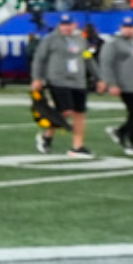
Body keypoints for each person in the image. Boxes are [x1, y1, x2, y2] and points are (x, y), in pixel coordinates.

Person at [31, 14, 94, 157]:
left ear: (75, 25)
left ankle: (77, 146)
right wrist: (37, 78)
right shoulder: (51, 39)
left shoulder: (80, 39)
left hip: (78, 80)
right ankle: (46, 135)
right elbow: (39, 59)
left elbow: (87, 58)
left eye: (69, 24)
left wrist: (98, 76)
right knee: (65, 111)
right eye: (64, 24)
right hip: (58, 79)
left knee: (79, 113)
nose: (66, 27)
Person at [96, 16, 133, 157]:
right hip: (125, 84)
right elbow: (106, 64)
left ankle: (121, 131)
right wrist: (111, 83)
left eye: (131, 27)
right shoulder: (113, 44)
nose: (128, 30)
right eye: (125, 27)